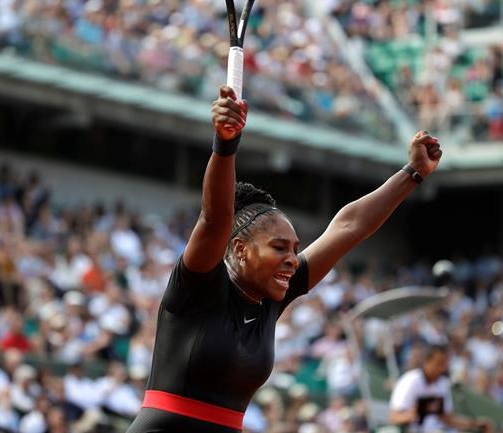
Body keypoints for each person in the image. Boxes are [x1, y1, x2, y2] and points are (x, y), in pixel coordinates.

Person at [126, 85, 443, 433]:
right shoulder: (197, 285)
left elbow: (349, 226)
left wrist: (413, 173)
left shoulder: (271, 300)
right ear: (240, 249)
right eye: (279, 248)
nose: (293, 259)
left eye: (294, 249)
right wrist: (225, 144)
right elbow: (216, 219)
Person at [389, 344, 492, 433]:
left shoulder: (442, 384)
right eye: (439, 363)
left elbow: (446, 418)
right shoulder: (411, 381)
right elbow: (394, 417)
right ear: (427, 361)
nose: (442, 368)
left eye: (444, 364)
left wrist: (475, 424)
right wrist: (409, 416)